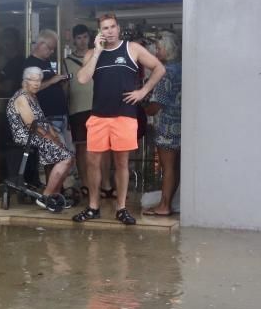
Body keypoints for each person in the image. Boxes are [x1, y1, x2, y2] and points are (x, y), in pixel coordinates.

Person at [71, 13, 165, 225]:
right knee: (92, 162)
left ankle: (121, 208)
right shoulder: (92, 53)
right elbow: (83, 79)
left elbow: (160, 68)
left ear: (118, 28)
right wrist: (96, 51)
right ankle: (93, 207)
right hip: (98, 116)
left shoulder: (132, 48)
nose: (110, 31)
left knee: (121, 163)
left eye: (112, 26)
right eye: (105, 28)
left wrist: (143, 91)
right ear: (100, 32)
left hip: (124, 116)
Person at [7, 66, 74, 207]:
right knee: (66, 158)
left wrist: (55, 136)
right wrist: (50, 138)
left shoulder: (32, 96)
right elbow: (32, 125)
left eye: (39, 80)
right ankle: (46, 196)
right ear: (25, 81)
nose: (37, 84)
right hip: (27, 137)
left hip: (38, 136)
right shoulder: (21, 98)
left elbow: (43, 120)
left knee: (68, 156)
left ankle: (54, 195)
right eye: (33, 81)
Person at [66, 24, 113, 199]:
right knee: (82, 148)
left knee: (104, 148)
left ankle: (106, 184)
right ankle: (86, 184)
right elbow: (65, 87)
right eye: (78, 38)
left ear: (90, 37)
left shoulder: (99, 55)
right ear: (73, 40)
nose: (82, 41)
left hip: (99, 107)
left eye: (85, 37)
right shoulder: (66, 61)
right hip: (77, 108)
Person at [142, 31, 182, 217]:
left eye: (158, 48)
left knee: (168, 167)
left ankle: (164, 205)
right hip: (182, 124)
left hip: (168, 126)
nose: (156, 52)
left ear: (167, 49)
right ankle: (169, 203)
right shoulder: (183, 68)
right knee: (176, 167)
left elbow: (156, 105)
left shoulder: (165, 73)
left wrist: (141, 106)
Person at [22, 29, 70, 138]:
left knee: (68, 152)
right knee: (57, 153)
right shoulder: (30, 63)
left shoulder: (46, 61)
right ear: (40, 44)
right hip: (47, 117)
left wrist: (61, 82)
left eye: (53, 48)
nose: (52, 51)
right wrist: (52, 81)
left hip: (60, 114)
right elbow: (29, 89)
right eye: (50, 48)